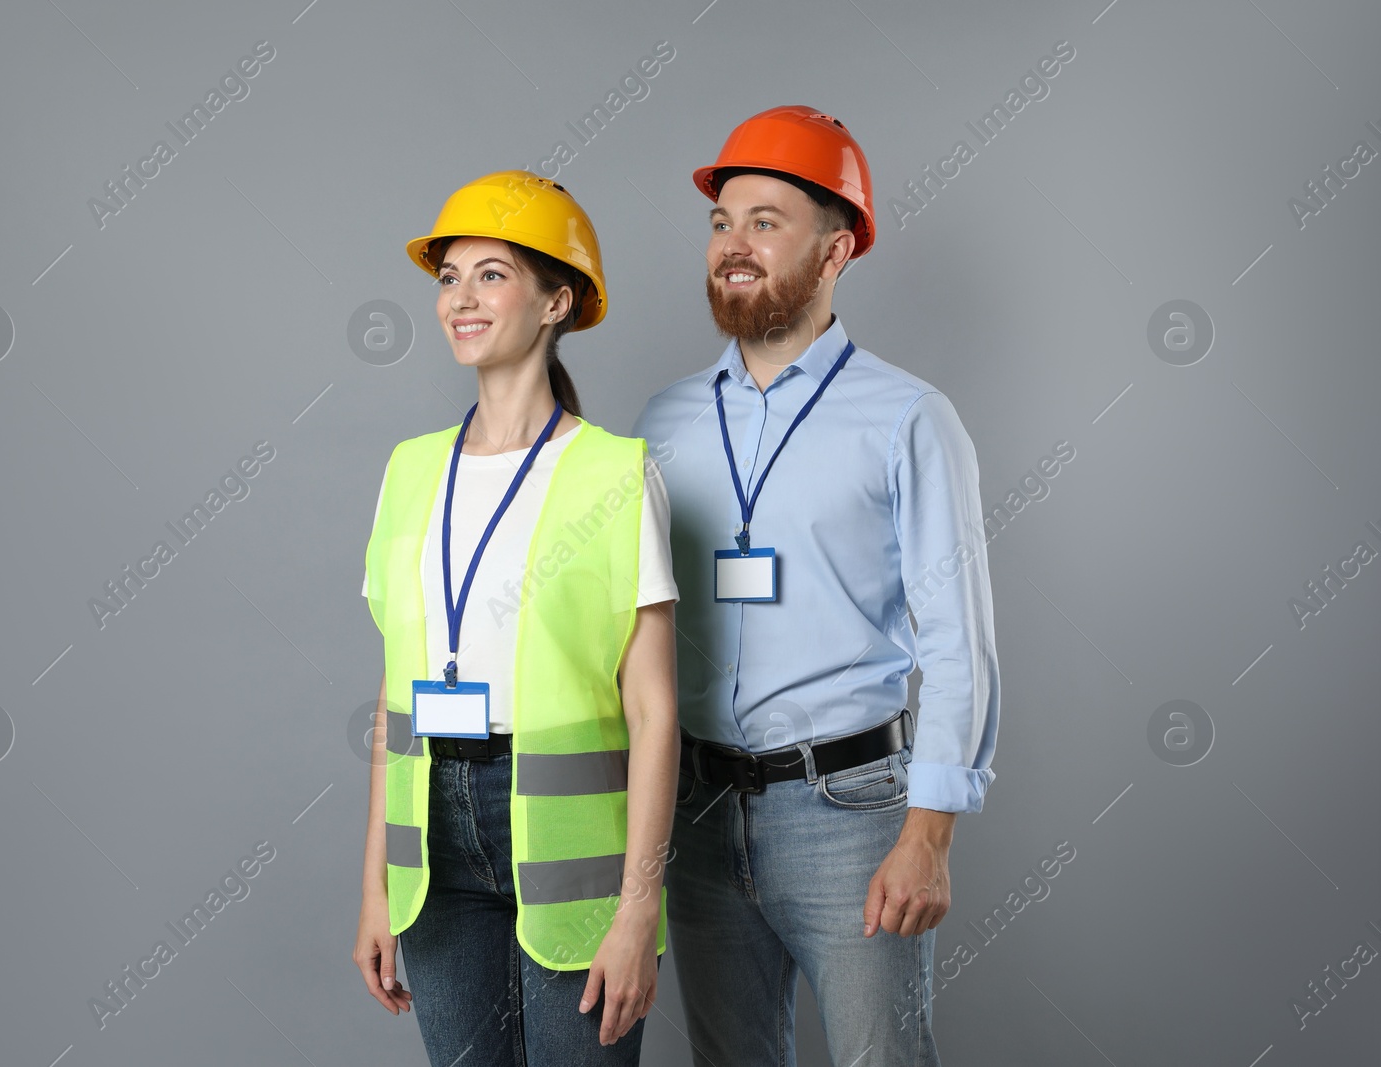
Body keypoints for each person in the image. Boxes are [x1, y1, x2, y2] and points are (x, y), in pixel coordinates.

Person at [631, 106, 1001, 1066]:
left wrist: (931, 834)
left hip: (851, 814)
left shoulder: (908, 417)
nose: (733, 245)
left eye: (765, 221)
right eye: (721, 223)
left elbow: (960, 639)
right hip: (699, 815)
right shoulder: (662, 422)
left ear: (837, 249)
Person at [354, 170, 681, 1065]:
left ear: (556, 301)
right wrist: (376, 888)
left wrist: (639, 908)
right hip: (433, 846)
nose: (461, 298)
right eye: (448, 277)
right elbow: (392, 695)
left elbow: (654, 714)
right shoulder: (410, 470)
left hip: (572, 846)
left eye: (491, 274)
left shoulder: (617, 472)